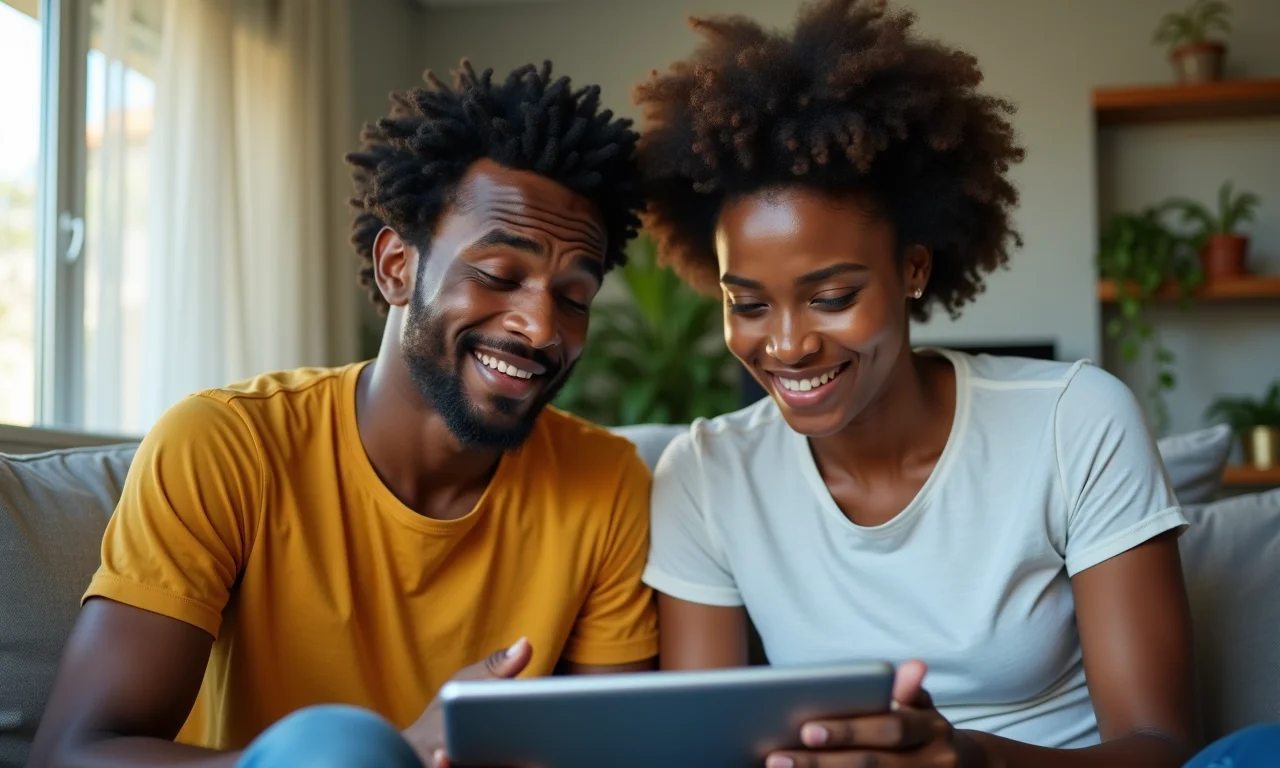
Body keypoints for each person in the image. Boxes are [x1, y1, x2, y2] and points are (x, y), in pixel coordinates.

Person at [633, 1, 1279, 766]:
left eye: (833, 297)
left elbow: (1162, 746)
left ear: (913, 268)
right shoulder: (706, 477)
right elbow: (704, 752)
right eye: (747, 304)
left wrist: (972, 761)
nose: (786, 344)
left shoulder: (1073, 420)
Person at [28, 60, 658, 768]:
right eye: (499, 275)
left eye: (573, 296)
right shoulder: (225, 445)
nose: (542, 327)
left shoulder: (608, 483)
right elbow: (72, 755)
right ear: (397, 267)